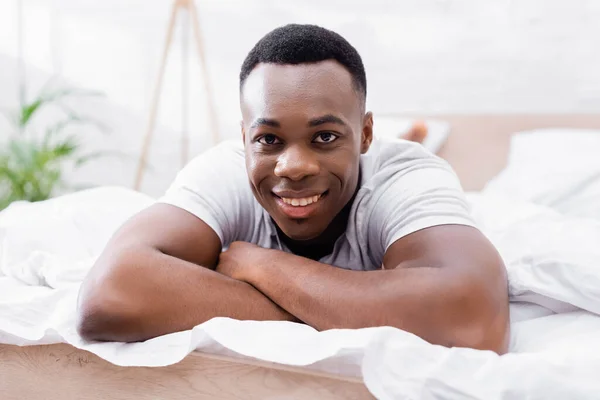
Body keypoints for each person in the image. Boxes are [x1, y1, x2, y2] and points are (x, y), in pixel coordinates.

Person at [77, 24, 509, 353]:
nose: (294, 166)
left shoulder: (406, 177)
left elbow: (474, 317)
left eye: (324, 137)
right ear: (245, 138)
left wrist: (263, 266)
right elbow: (109, 294)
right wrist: (328, 312)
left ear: (365, 133)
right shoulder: (225, 172)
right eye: (269, 140)